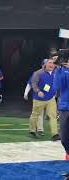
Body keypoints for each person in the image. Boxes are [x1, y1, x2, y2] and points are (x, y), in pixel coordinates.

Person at [29, 58, 60, 141]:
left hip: (51, 98)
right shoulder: (38, 73)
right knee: (35, 115)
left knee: (53, 116)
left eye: (53, 63)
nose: (52, 64)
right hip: (39, 99)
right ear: (45, 64)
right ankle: (32, 131)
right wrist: (38, 91)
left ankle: (55, 134)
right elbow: (33, 83)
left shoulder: (56, 72)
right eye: (50, 63)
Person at [53, 51, 69, 179]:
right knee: (64, 139)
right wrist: (58, 70)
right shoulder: (61, 72)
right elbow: (57, 86)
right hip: (64, 108)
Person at [24, 59, 49, 135]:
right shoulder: (37, 74)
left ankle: (39, 129)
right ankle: (36, 129)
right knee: (37, 113)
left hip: (46, 97)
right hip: (37, 97)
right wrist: (26, 93)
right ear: (43, 65)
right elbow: (29, 84)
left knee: (41, 113)